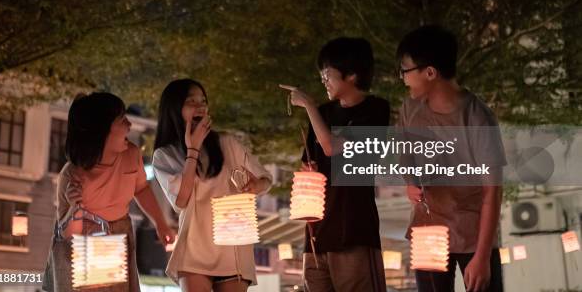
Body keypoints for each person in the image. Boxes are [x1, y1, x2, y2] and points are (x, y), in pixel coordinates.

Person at [396, 25, 506, 292]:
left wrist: (482, 257)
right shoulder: (410, 109)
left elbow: (493, 192)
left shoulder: (477, 118)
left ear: (430, 72)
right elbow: (404, 152)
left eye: (405, 71)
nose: (402, 79)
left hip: (473, 235)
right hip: (428, 230)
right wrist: (410, 182)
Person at [281, 37, 389, 292]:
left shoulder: (375, 110)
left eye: (327, 75)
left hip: (354, 229)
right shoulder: (324, 112)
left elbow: (330, 147)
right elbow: (311, 163)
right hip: (317, 233)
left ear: (351, 74)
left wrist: (308, 105)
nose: (323, 82)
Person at [43, 92, 175, 292]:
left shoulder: (131, 155)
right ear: (100, 131)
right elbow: (66, 234)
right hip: (85, 246)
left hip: (119, 234)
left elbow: (141, 188)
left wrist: (161, 223)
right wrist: (73, 207)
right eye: (122, 120)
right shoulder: (74, 175)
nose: (129, 125)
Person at [152, 79, 273, 292]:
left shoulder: (227, 143)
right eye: (191, 102)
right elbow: (181, 199)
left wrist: (256, 186)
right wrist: (193, 150)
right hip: (194, 248)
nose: (200, 107)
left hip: (233, 246)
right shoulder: (165, 155)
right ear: (174, 108)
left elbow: (265, 178)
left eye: (203, 101)